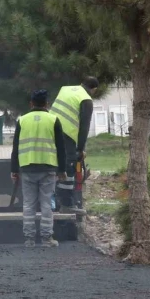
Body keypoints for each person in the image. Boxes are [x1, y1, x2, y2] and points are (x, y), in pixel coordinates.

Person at [11, 90, 66, 248]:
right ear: (47, 104)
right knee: (46, 203)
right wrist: (61, 170)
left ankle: (29, 239)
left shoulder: (22, 120)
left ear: (31, 104)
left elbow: (16, 147)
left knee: (28, 204)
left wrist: (14, 169)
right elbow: (61, 148)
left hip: (27, 168)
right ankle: (46, 238)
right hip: (48, 168)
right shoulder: (53, 120)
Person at [50, 76, 99, 210]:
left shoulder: (64, 89)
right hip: (67, 134)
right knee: (68, 167)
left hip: (49, 128)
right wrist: (80, 149)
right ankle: (66, 203)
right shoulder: (86, 100)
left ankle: (50, 197)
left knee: (51, 163)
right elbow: (84, 127)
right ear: (93, 89)